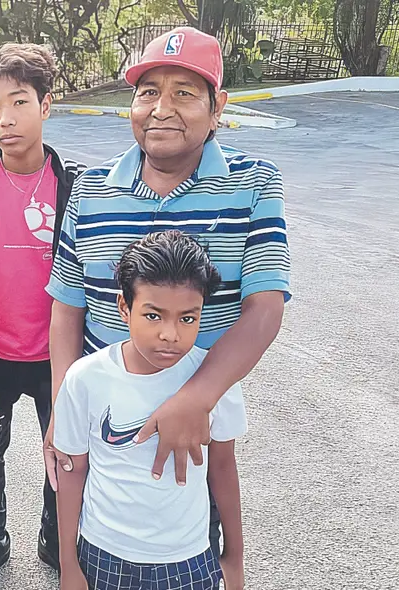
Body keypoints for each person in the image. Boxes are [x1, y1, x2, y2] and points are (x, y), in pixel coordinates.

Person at [45, 26, 289, 560]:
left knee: (185, 552)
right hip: (100, 416)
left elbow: (266, 307)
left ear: (217, 106)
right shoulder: (89, 188)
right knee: (80, 551)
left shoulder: (254, 184)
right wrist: (65, 411)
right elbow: (66, 306)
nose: (162, 108)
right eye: (148, 91)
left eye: (184, 93)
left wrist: (195, 399)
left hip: (196, 422)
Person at [0, 43, 86, 588]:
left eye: (20, 102)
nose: (5, 119)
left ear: (46, 105)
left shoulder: (79, 187)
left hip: (60, 355)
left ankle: (55, 535)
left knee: (64, 449)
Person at [54, 231, 246, 590]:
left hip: (189, 557)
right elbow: (72, 470)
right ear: (124, 308)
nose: (170, 334)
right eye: (154, 315)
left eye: (187, 318)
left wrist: (234, 557)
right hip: (103, 554)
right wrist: (68, 564)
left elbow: (222, 465)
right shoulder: (85, 378)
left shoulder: (215, 380)